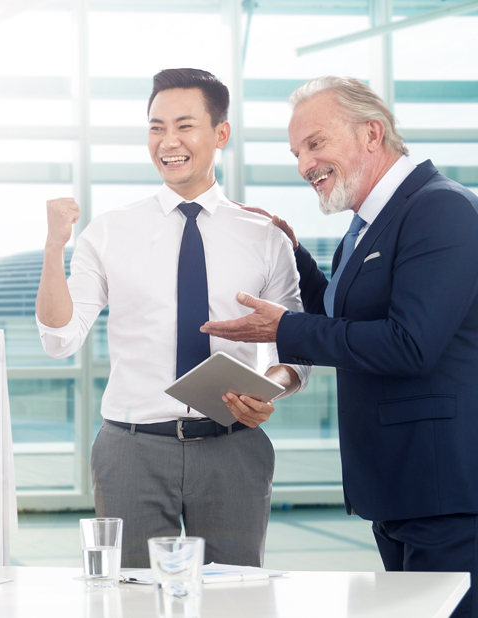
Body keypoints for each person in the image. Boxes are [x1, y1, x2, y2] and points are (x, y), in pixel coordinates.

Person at [201, 76, 478, 618]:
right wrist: (296, 255)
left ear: (372, 134)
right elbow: (345, 322)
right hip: (400, 489)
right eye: (297, 153)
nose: (305, 164)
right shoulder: (365, 226)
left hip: (446, 493)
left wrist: (282, 329)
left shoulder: (441, 209)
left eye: (315, 143)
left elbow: (410, 344)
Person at [35, 68, 309, 568]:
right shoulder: (109, 231)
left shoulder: (265, 236)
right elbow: (59, 340)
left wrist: (270, 388)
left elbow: (298, 352)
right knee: (131, 597)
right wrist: (54, 247)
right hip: (131, 451)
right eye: (156, 128)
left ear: (221, 133)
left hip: (234, 447)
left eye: (184, 126)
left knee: (235, 597)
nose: (168, 142)